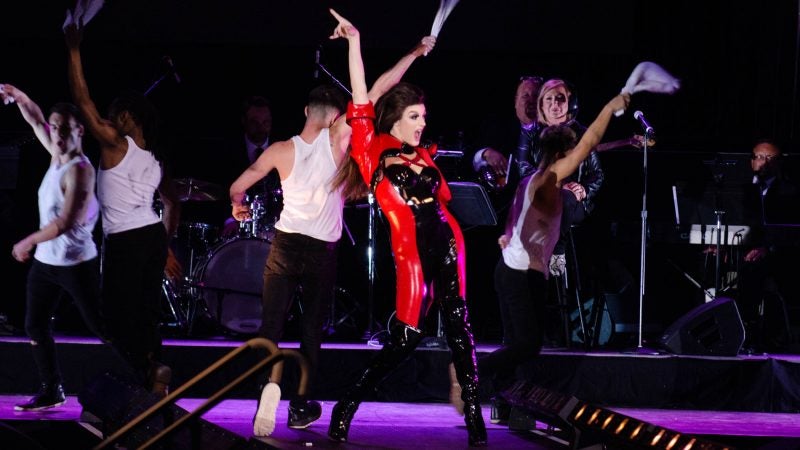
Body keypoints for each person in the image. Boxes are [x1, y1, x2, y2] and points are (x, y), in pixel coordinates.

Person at [230, 31, 437, 439]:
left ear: (306, 110)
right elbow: (379, 89)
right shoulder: (336, 138)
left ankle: (268, 389)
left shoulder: (278, 150)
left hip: (284, 245)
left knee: (270, 327)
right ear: (333, 117)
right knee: (310, 331)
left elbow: (239, 185)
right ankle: (301, 405)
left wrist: (237, 204)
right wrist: (413, 52)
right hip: (321, 250)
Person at [327, 9, 487, 447]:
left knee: (459, 322)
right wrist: (356, 41)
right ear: (395, 118)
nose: (422, 124)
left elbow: (442, 203)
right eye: (415, 117)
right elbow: (365, 88)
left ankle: (476, 419)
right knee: (405, 337)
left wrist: (418, 51)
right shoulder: (370, 148)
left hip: (447, 236)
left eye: (423, 116)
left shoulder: (424, 155)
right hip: (410, 250)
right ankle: (348, 404)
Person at [478, 91, 630, 423]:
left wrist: (509, 237)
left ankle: (507, 405)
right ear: (561, 154)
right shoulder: (549, 177)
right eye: (570, 154)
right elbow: (589, 143)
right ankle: (469, 373)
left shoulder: (532, 182)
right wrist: (609, 107)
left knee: (518, 344)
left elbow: (514, 220)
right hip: (520, 274)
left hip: (516, 271)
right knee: (527, 345)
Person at [65, 24, 181, 396]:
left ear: (130, 117)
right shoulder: (154, 160)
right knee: (146, 312)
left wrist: (74, 50)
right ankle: (153, 376)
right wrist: (165, 244)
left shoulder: (117, 144)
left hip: (126, 240)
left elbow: (83, 101)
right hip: (151, 237)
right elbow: (172, 202)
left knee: (116, 316)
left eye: (116, 113)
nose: (110, 119)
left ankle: (138, 375)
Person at [3, 85, 103, 411]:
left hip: (75, 264)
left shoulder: (81, 170)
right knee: (35, 323)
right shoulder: (57, 154)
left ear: (80, 130)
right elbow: (35, 122)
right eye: (54, 127)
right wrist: (19, 96)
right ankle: (52, 389)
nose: (56, 134)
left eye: (64, 129)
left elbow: (65, 222)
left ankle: (148, 374)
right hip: (47, 263)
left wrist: (27, 240)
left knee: (100, 325)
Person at [737, 139, 798, 352]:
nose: (763, 162)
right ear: (751, 161)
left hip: (776, 253)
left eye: (769, 158)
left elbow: (790, 233)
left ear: (778, 163)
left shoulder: (790, 192)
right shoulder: (738, 190)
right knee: (706, 260)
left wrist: (767, 248)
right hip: (740, 247)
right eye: (759, 157)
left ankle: (753, 334)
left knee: (755, 271)